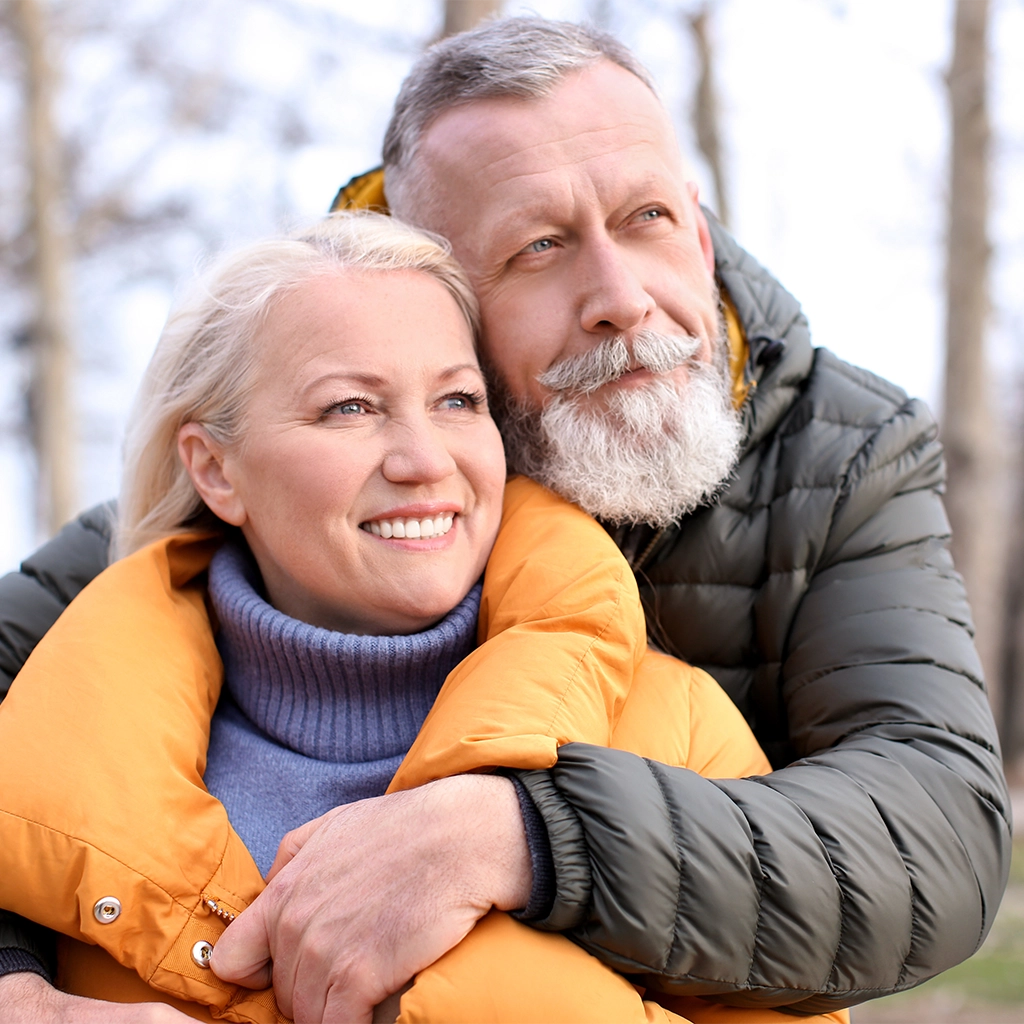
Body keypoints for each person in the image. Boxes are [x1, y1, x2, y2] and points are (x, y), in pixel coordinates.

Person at [0, 15, 1011, 1024]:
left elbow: (935, 841)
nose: (620, 297)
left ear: (698, 229)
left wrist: (523, 834)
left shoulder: (839, 455)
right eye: (540, 246)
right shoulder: (255, 494)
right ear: (442, 303)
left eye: (648, 217)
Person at [0, 210, 851, 1024]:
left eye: (456, 401)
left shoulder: (676, 725)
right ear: (216, 470)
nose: (424, 460)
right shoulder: (52, 746)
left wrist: (476, 990)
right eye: (350, 408)